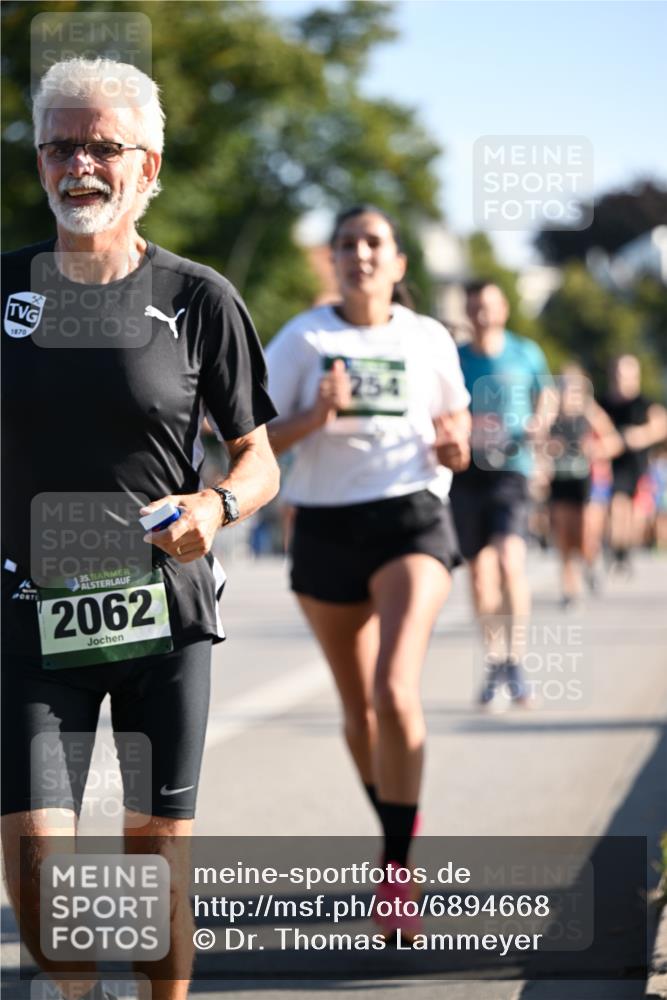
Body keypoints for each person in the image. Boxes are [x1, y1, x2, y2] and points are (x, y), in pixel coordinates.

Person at [1, 58, 279, 1000]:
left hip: (162, 614)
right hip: (31, 616)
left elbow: (259, 457)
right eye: (58, 146)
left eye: (101, 146)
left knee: (154, 866)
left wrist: (216, 507)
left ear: (148, 165)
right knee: (39, 875)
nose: (79, 164)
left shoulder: (201, 298)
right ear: (39, 161)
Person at [265, 205, 471, 940]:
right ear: (333, 259)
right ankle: (391, 819)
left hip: (411, 518)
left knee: (393, 686)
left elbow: (458, 433)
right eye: (346, 243)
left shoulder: (426, 337)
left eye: (373, 242)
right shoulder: (303, 338)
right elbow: (256, 440)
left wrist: (456, 453)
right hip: (324, 526)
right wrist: (313, 417)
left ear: (398, 262)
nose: (359, 254)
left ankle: (395, 869)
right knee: (358, 711)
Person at [449, 280, 556, 710]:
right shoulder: (455, 358)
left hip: (511, 468)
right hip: (468, 470)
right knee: (479, 573)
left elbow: (546, 394)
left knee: (511, 561)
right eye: (474, 307)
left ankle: (516, 657)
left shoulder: (525, 352)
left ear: (503, 309)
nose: (481, 314)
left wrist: (538, 423)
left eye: (488, 306)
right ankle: (495, 660)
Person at [547, 365, 621, 606]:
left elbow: (614, 442)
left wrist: (595, 450)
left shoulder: (590, 412)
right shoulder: (551, 413)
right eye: (564, 385)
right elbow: (537, 443)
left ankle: (591, 562)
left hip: (585, 481)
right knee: (564, 537)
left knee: (585, 534)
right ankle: (570, 590)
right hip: (559, 480)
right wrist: (549, 448)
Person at [599, 354, 667, 573]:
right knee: (617, 506)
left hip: (638, 466)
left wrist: (640, 436)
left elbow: (661, 425)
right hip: (610, 465)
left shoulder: (643, 403)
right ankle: (616, 550)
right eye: (619, 373)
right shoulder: (604, 402)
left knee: (635, 515)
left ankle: (625, 549)